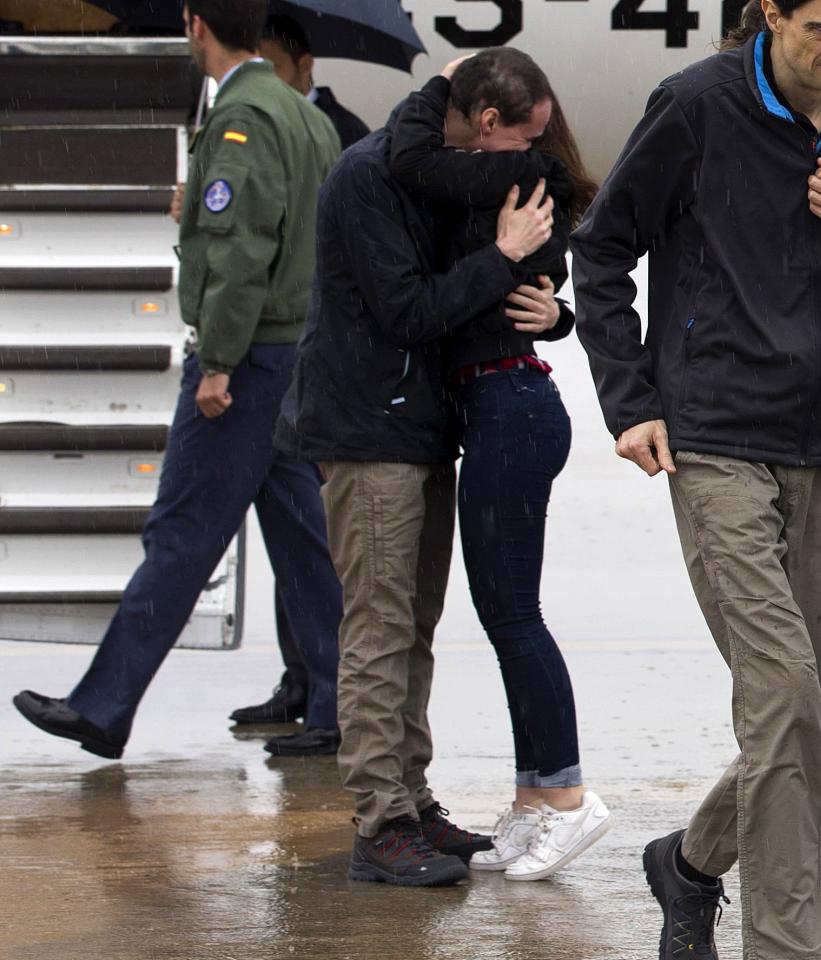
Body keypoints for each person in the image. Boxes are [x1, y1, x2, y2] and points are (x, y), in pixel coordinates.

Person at [572, 0, 821, 955]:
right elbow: (602, 246)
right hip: (716, 438)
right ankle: (793, 946)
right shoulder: (696, 105)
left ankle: (690, 861)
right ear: (771, 13)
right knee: (784, 700)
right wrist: (629, 400)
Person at [11, 0, 345, 761]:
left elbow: (242, 251)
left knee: (183, 534)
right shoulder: (304, 116)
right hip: (294, 354)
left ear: (196, 24)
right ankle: (341, 707)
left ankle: (103, 707)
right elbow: (296, 229)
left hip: (246, 359)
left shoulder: (242, 118)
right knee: (305, 545)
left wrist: (218, 361)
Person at [273, 55, 562, 887]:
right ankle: (380, 822)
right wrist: (502, 254)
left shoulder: (432, 174)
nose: (528, 158)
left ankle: (411, 796)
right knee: (378, 628)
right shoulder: (369, 177)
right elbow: (407, 311)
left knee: (414, 626)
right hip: (369, 431)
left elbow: (466, 301)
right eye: (524, 139)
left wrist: (555, 310)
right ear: (485, 122)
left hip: (422, 427)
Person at [386, 48, 612, 882]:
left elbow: (409, 160)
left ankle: (569, 797)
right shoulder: (506, 184)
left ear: (483, 121)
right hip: (501, 405)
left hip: (510, 408)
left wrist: (437, 85)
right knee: (504, 614)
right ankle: (532, 798)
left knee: (515, 616)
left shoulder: (510, 174)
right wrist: (557, 314)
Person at [227, 12, 369, 734]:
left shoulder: (341, 133)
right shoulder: (270, 125)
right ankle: (303, 676)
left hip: (315, 350)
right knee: (294, 530)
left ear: (304, 65)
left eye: (274, 67)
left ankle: (327, 688)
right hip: (293, 348)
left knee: (315, 533)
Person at [258, 13, 369, 149]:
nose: (258, 79)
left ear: (305, 66)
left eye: (269, 67)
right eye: (252, 68)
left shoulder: (346, 132)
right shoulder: (252, 123)